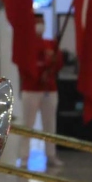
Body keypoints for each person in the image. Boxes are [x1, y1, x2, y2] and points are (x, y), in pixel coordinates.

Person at [17, 13, 63, 167]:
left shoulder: (51, 43)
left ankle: (51, 155)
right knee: (28, 124)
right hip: (31, 90)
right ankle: (24, 157)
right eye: (37, 22)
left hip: (50, 90)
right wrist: (38, 75)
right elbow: (24, 68)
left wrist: (54, 62)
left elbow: (59, 64)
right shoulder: (25, 46)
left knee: (50, 124)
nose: (40, 25)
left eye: (42, 22)